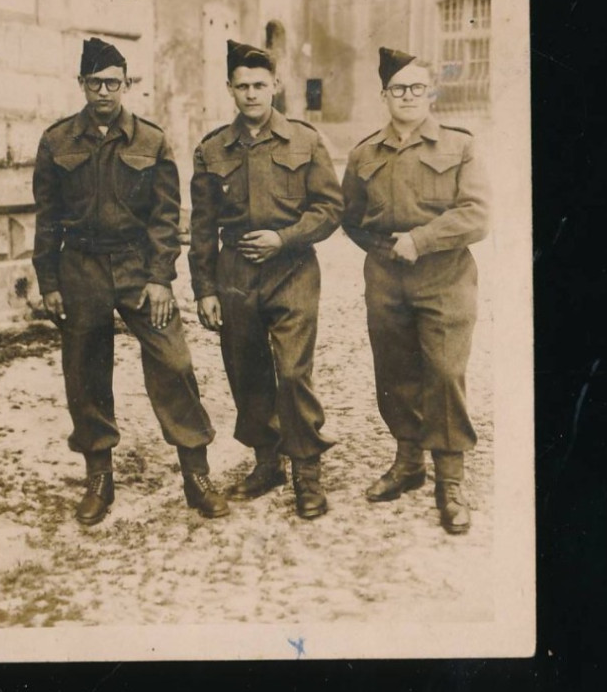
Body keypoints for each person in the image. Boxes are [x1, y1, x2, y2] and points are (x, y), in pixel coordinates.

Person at [31, 36, 228, 525]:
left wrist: (162, 280)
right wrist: (49, 280)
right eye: (95, 82)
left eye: (113, 83)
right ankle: (99, 476)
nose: (104, 91)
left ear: (126, 85)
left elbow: (166, 218)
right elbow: (47, 218)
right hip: (81, 269)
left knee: (174, 363)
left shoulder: (151, 140)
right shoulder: (57, 142)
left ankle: (196, 473)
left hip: (139, 269)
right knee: (85, 370)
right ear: (82, 84)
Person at [189, 40, 342, 519]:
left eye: (260, 84)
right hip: (235, 272)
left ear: (275, 85)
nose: (252, 93)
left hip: (292, 268)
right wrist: (205, 289)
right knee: (247, 368)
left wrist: (285, 238)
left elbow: (330, 208)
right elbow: (200, 227)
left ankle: (307, 473)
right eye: (242, 86)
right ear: (230, 90)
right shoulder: (213, 148)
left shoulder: (306, 140)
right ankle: (266, 462)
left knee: (294, 372)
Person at [341, 47, 491, 534]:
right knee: (395, 369)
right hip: (386, 278)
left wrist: (420, 241)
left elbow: (476, 215)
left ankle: (449, 481)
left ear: (432, 94)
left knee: (445, 373)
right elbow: (351, 217)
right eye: (397, 89)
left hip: (445, 277)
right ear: (384, 95)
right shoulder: (364, 153)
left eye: (416, 88)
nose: (407, 96)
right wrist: (385, 249)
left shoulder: (460, 146)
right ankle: (408, 463)